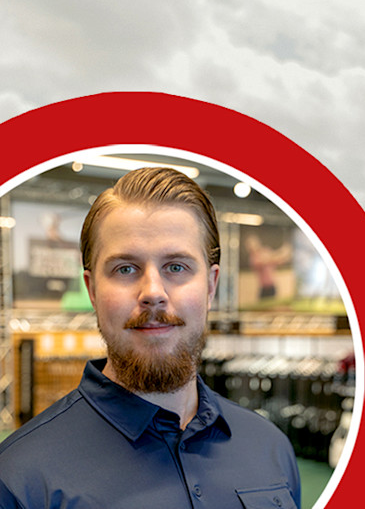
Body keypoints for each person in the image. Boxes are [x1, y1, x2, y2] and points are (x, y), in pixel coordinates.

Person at [0, 167, 301, 509]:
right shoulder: (18, 479)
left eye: (176, 267)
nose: (153, 293)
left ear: (210, 286)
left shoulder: (271, 449)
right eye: (125, 269)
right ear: (92, 290)